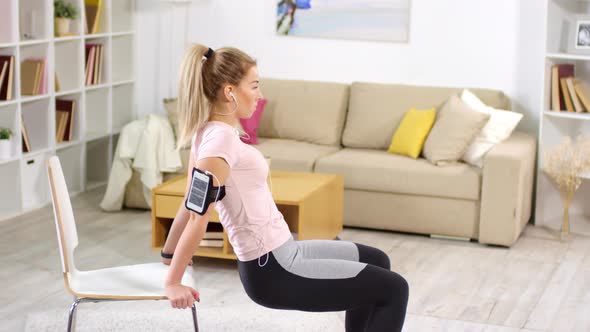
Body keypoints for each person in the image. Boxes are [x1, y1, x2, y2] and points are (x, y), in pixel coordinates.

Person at [162, 43, 409, 332]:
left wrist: (169, 254)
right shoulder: (219, 142)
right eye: (254, 86)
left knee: (377, 260)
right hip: (273, 271)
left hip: (284, 252)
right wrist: (173, 282)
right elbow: (196, 216)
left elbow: (187, 201)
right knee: (394, 290)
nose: (259, 95)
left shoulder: (207, 133)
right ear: (230, 91)